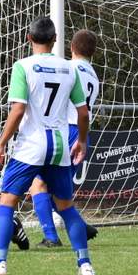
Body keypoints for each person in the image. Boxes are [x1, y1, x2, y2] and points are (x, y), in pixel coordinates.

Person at [0, 16, 96, 275]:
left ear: (29, 39)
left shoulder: (23, 66)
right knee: (66, 207)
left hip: (31, 145)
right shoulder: (69, 68)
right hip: (60, 145)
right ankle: (85, 265)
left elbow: (18, 110)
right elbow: (83, 113)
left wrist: (0, 144)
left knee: (7, 202)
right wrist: (83, 141)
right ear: (55, 41)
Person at [29, 29, 101, 248]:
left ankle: (51, 237)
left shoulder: (67, 68)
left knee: (38, 185)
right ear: (93, 52)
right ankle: (79, 225)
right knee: (57, 191)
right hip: (80, 134)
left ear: (71, 47)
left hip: (63, 130)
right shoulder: (94, 76)